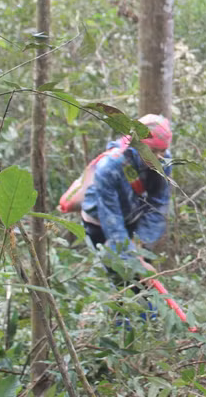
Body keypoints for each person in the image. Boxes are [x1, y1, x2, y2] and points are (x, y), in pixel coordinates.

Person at [81, 114, 173, 286]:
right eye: (152, 151)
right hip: (101, 224)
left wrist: (140, 244)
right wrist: (133, 258)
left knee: (144, 283)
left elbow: (158, 206)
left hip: (133, 219)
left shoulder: (164, 162)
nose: (159, 157)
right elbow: (111, 218)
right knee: (121, 279)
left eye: (162, 151)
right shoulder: (110, 167)